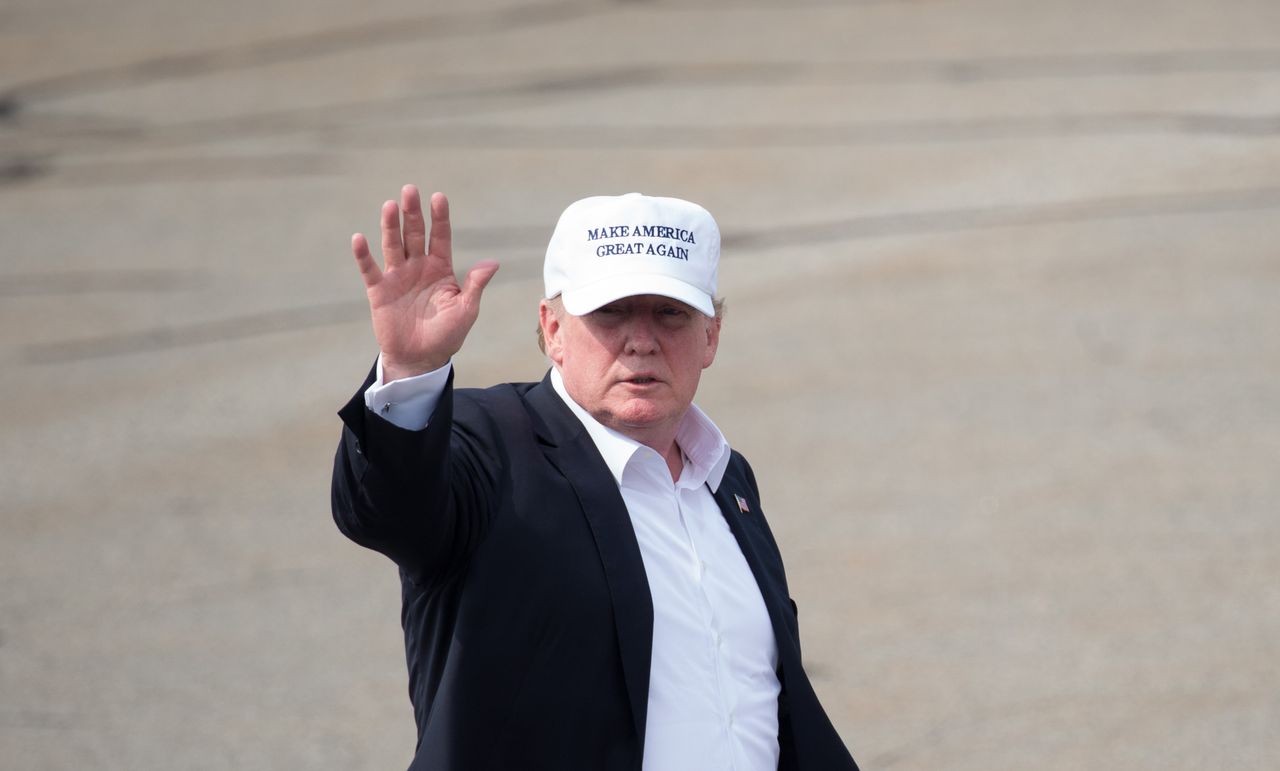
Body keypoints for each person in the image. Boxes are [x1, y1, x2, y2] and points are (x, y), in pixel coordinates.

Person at [331, 185, 859, 771]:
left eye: (670, 313)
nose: (641, 340)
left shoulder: (726, 478)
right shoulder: (490, 446)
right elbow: (389, 510)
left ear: (711, 335)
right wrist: (411, 374)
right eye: (610, 312)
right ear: (552, 328)